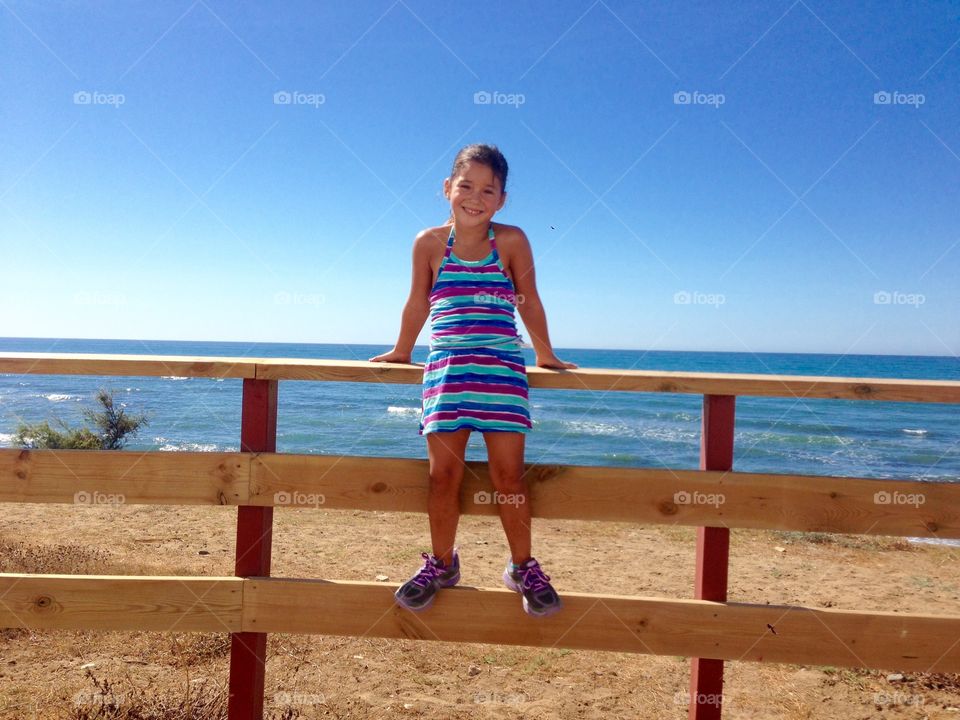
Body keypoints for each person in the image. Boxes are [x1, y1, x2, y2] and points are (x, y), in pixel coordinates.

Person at [370, 143, 575, 618]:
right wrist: (403, 350)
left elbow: (528, 299)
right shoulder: (428, 243)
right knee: (443, 477)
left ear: (502, 199)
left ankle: (522, 567)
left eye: (488, 190)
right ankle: (442, 565)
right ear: (448, 188)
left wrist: (545, 353)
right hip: (446, 372)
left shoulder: (512, 241)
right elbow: (418, 301)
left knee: (509, 477)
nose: (475, 198)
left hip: (502, 372)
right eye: (466, 186)